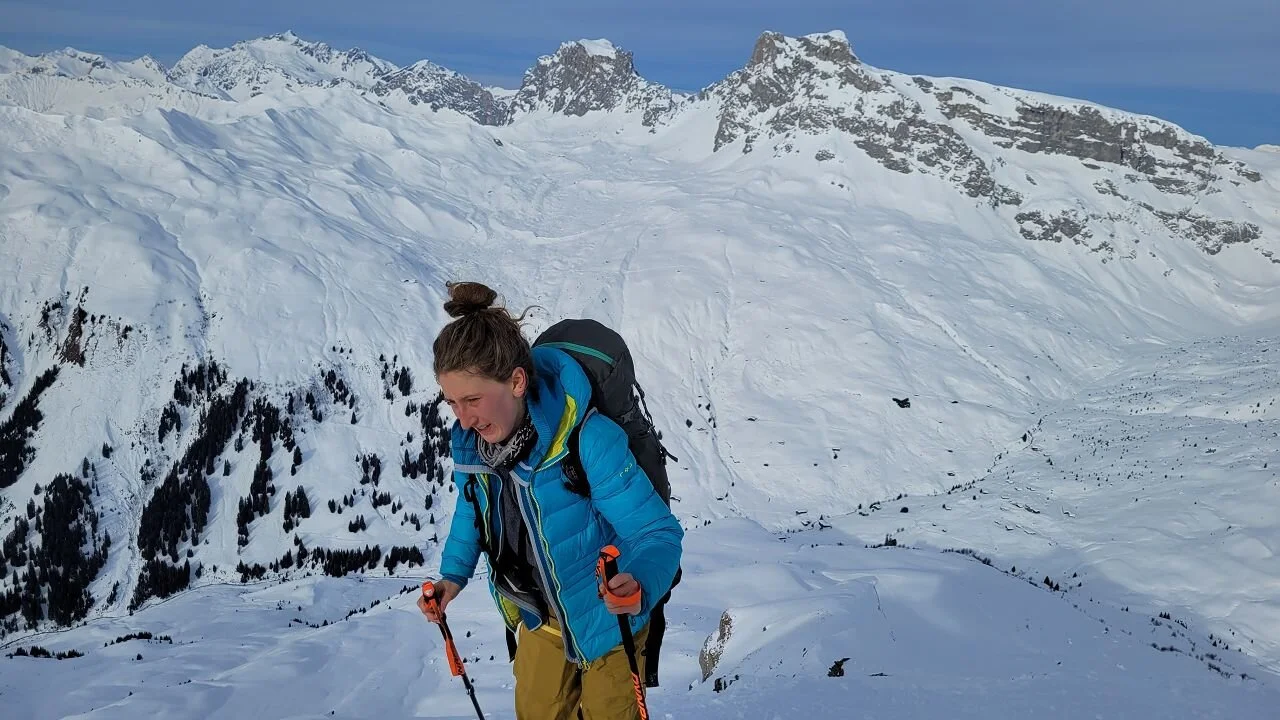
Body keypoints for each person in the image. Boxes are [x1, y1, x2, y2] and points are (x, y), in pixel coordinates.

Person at [418, 281, 684, 720]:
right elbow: (473, 511)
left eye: (472, 400)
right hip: (541, 618)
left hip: (609, 619)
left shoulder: (587, 440)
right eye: (451, 402)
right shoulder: (476, 447)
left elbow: (658, 533)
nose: (463, 419)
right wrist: (452, 577)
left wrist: (639, 585)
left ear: (517, 382)